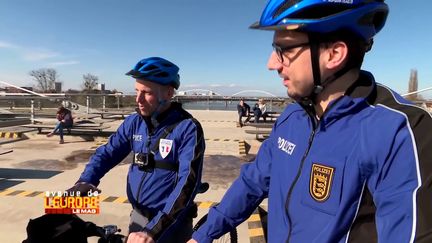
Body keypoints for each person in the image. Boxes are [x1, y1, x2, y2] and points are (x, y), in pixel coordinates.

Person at [190, 1, 432, 243]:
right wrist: (202, 235)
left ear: (334, 54)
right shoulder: (292, 117)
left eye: (283, 49)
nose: (271, 63)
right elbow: (252, 182)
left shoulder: (399, 130)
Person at [67, 57, 206, 243]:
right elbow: (108, 153)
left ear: (168, 93)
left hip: (172, 222)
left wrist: (153, 230)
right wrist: (86, 180)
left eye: (146, 92)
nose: (138, 99)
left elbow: (187, 183)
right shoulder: (134, 122)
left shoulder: (188, 128)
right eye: (136, 91)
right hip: (138, 216)